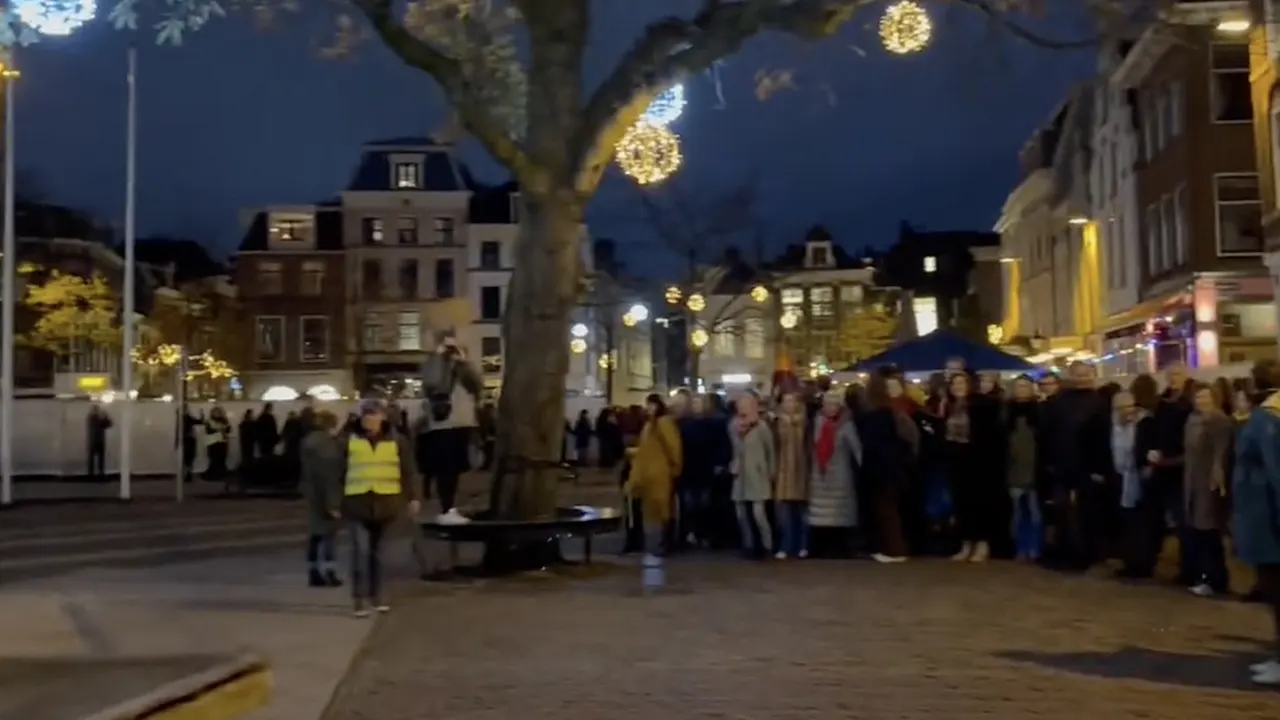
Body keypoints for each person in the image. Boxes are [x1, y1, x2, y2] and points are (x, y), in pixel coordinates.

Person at [337, 399, 422, 617]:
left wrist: (412, 497)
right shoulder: (348, 440)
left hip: (387, 504)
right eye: (366, 415)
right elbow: (336, 471)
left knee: (379, 554)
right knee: (360, 552)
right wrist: (334, 501)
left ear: (383, 417)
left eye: (373, 415)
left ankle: (377, 597)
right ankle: (359, 599)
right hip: (357, 503)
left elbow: (407, 470)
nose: (369, 420)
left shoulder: (397, 441)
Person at [1232, 361, 1280, 685]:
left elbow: (1275, 469)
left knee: (1277, 590)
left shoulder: (1268, 417)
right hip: (1263, 512)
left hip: (1268, 517)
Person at [419, 334, 482, 525]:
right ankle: (446, 509)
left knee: (456, 469)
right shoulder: (432, 365)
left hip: (463, 422)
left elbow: (477, 385)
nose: (450, 351)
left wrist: (464, 362)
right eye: (447, 346)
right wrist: (439, 357)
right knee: (445, 470)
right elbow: (432, 384)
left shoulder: (461, 368)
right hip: (442, 425)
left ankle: (451, 508)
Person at [941, 372, 1003, 563]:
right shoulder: (949, 406)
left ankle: (983, 543)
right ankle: (966, 543)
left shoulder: (982, 405)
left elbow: (991, 435)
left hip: (978, 462)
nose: (957, 386)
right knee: (961, 503)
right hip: (956, 460)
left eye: (961, 382)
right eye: (954, 383)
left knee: (980, 503)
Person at [622, 393, 682, 588]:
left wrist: (674, 468)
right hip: (650, 475)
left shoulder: (662, 425)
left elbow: (673, 449)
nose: (647, 409)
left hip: (657, 475)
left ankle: (656, 549)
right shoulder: (651, 426)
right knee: (652, 513)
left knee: (657, 513)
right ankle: (653, 549)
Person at [1182, 383, 1233, 597]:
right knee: (1198, 532)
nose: (1202, 401)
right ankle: (1205, 576)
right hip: (1193, 481)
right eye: (1199, 398)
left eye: (1206, 397)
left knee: (1209, 532)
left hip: (1208, 484)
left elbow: (1221, 455)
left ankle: (1215, 579)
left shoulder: (1220, 421)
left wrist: (1217, 479)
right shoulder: (1192, 421)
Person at [858, 375, 916, 563]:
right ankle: (895, 548)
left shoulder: (872, 415)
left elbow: (871, 445)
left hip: (877, 469)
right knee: (889, 510)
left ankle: (890, 548)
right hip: (891, 468)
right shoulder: (888, 414)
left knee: (883, 511)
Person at [1111, 382, 1161, 579]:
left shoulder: (1146, 423)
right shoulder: (1112, 426)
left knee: (1143, 524)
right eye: (1120, 408)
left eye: (1128, 407)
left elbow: (1154, 448)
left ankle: (1144, 564)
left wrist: (1150, 465)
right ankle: (1130, 561)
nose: (1126, 412)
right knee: (1127, 524)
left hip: (1141, 480)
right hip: (1121, 479)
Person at [807, 390, 861, 557]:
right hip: (819, 474)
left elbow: (856, 448)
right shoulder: (815, 422)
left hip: (840, 474)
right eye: (828, 404)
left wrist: (863, 466)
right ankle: (820, 548)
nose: (831, 408)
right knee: (819, 513)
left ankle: (840, 548)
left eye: (835, 404)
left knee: (840, 512)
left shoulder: (847, 424)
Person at [730, 391, 775, 559]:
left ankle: (766, 544)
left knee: (758, 513)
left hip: (757, 472)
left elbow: (770, 450)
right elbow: (734, 447)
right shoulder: (733, 425)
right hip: (739, 472)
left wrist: (771, 471)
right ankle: (747, 544)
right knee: (740, 511)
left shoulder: (762, 427)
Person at [301, 409, 344, 588]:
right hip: (326, 495)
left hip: (312, 493)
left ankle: (313, 572)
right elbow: (329, 475)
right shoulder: (328, 446)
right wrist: (333, 504)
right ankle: (330, 572)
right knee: (329, 536)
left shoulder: (308, 442)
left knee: (314, 536)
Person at [1004, 375, 1041, 561]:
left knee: (1035, 514)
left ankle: (1034, 548)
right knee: (1018, 514)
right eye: (1019, 386)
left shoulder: (1040, 411)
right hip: (1014, 470)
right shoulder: (1006, 411)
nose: (1022, 390)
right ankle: (1021, 548)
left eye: (1026, 386)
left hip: (1035, 470)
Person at [772, 391, 810, 560]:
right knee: (783, 514)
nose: (788, 404)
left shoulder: (805, 422)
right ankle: (785, 546)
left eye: (792, 400)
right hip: (782, 471)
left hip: (801, 470)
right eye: (786, 401)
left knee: (800, 513)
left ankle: (802, 546)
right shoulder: (777, 422)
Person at [86, 404, 113, 481]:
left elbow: (109, 424)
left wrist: (105, 416)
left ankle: (99, 474)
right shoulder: (92, 418)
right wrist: (104, 416)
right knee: (92, 460)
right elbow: (103, 424)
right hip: (94, 440)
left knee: (100, 459)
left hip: (98, 440)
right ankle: (91, 475)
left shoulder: (97, 418)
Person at [204, 406, 232, 481]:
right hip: (213, 443)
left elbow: (229, 429)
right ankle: (213, 475)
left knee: (222, 459)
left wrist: (225, 426)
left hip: (222, 442)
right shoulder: (209, 421)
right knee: (214, 459)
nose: (218, 414)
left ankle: (221, 474)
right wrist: (220, 430)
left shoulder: (224, 421)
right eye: (216, 412)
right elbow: (208, 431)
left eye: (219, 412)